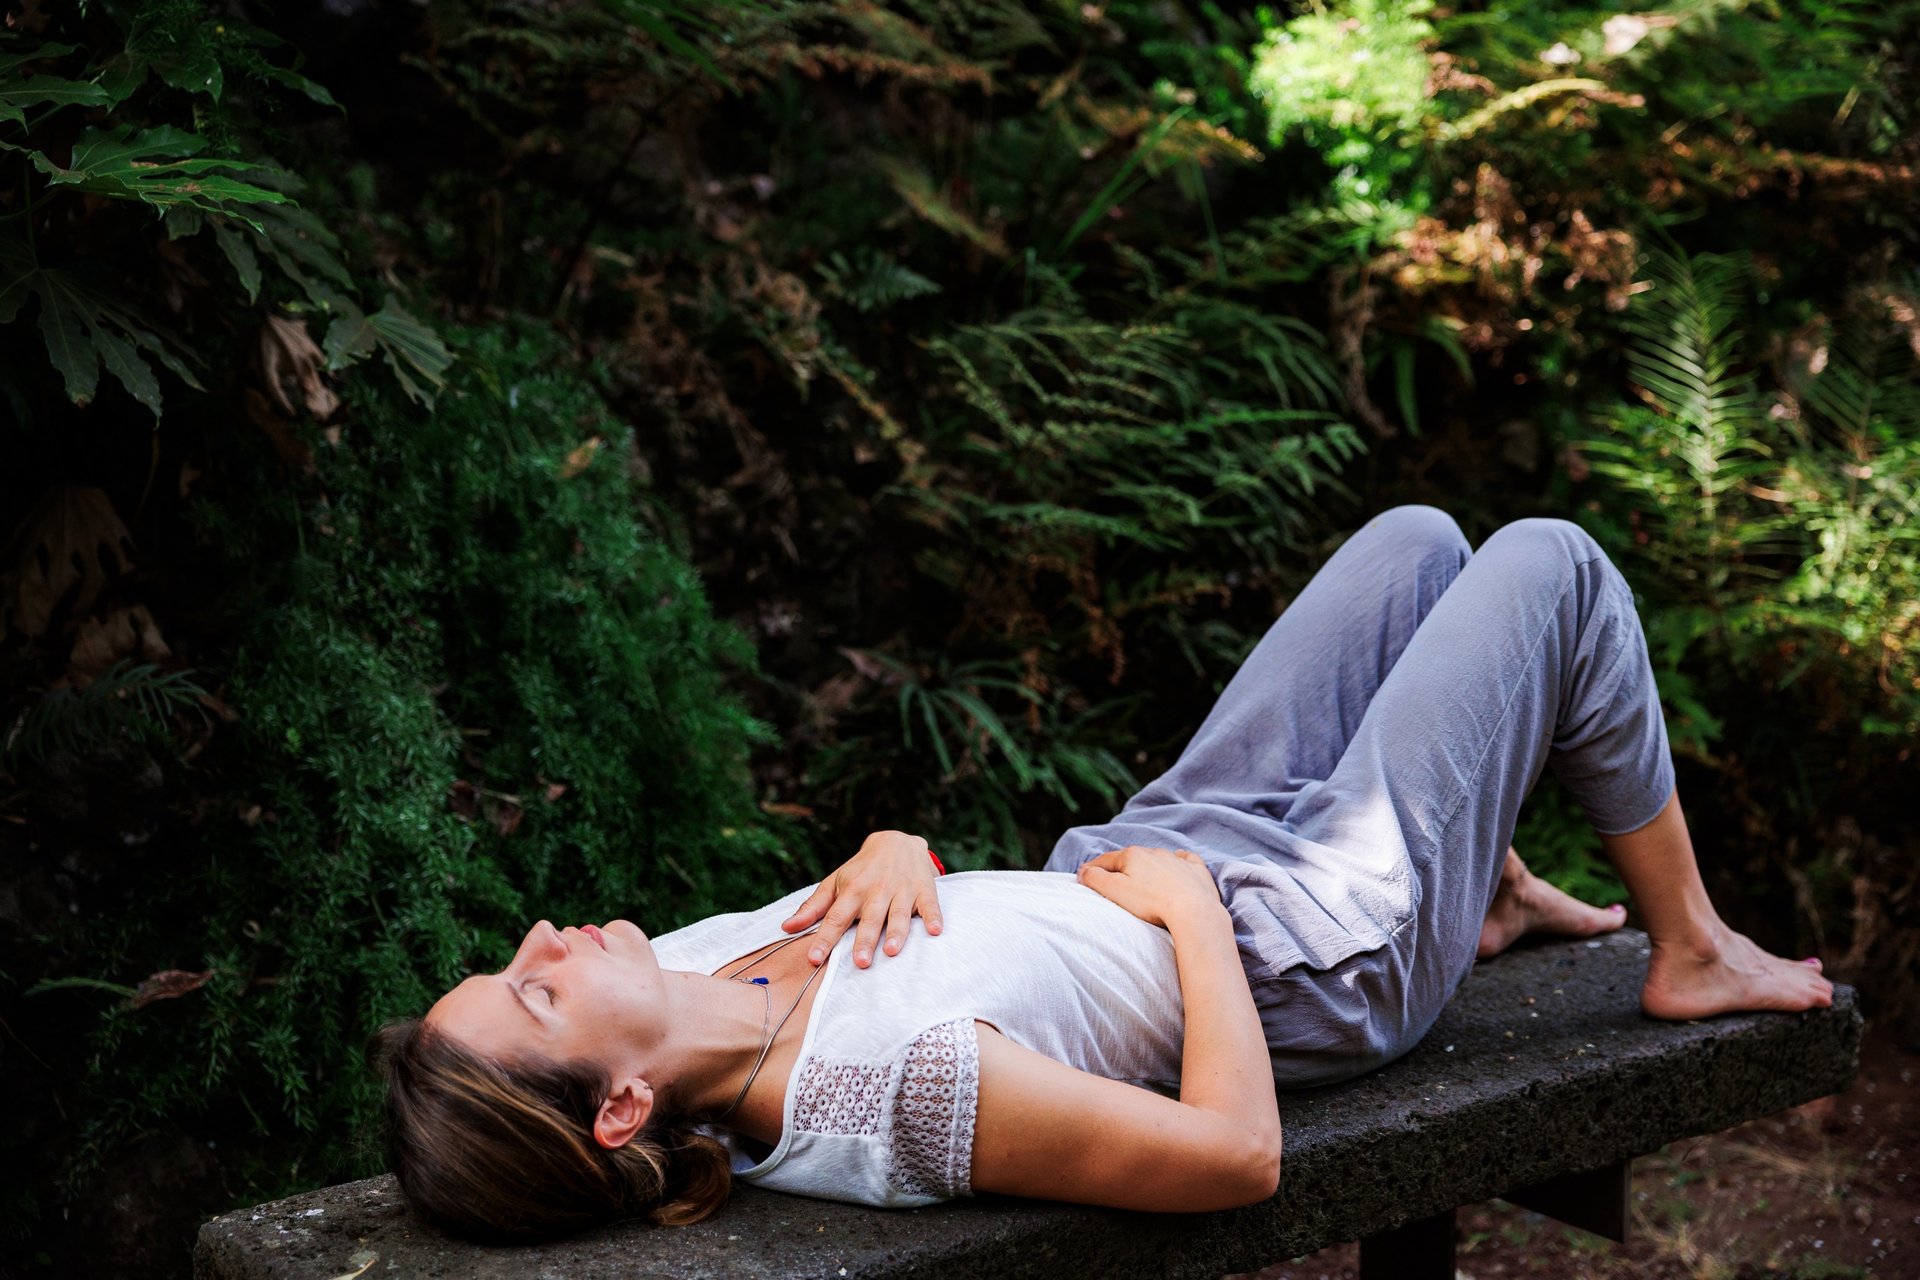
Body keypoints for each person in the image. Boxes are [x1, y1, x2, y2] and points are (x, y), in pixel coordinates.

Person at [376, 506, 1834, 1242]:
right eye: (534, 992)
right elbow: (1234, 1162)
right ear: (624, 1106)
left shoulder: (689, 967)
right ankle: (1689, 942)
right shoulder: (892, 1094)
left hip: (1162, 850)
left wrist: (897, 844)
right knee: (1552, 566)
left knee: (1415, 548)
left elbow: (916, 901)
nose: (545, 939)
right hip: (1304, 955)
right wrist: (1196, 914)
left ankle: (1491, 896)